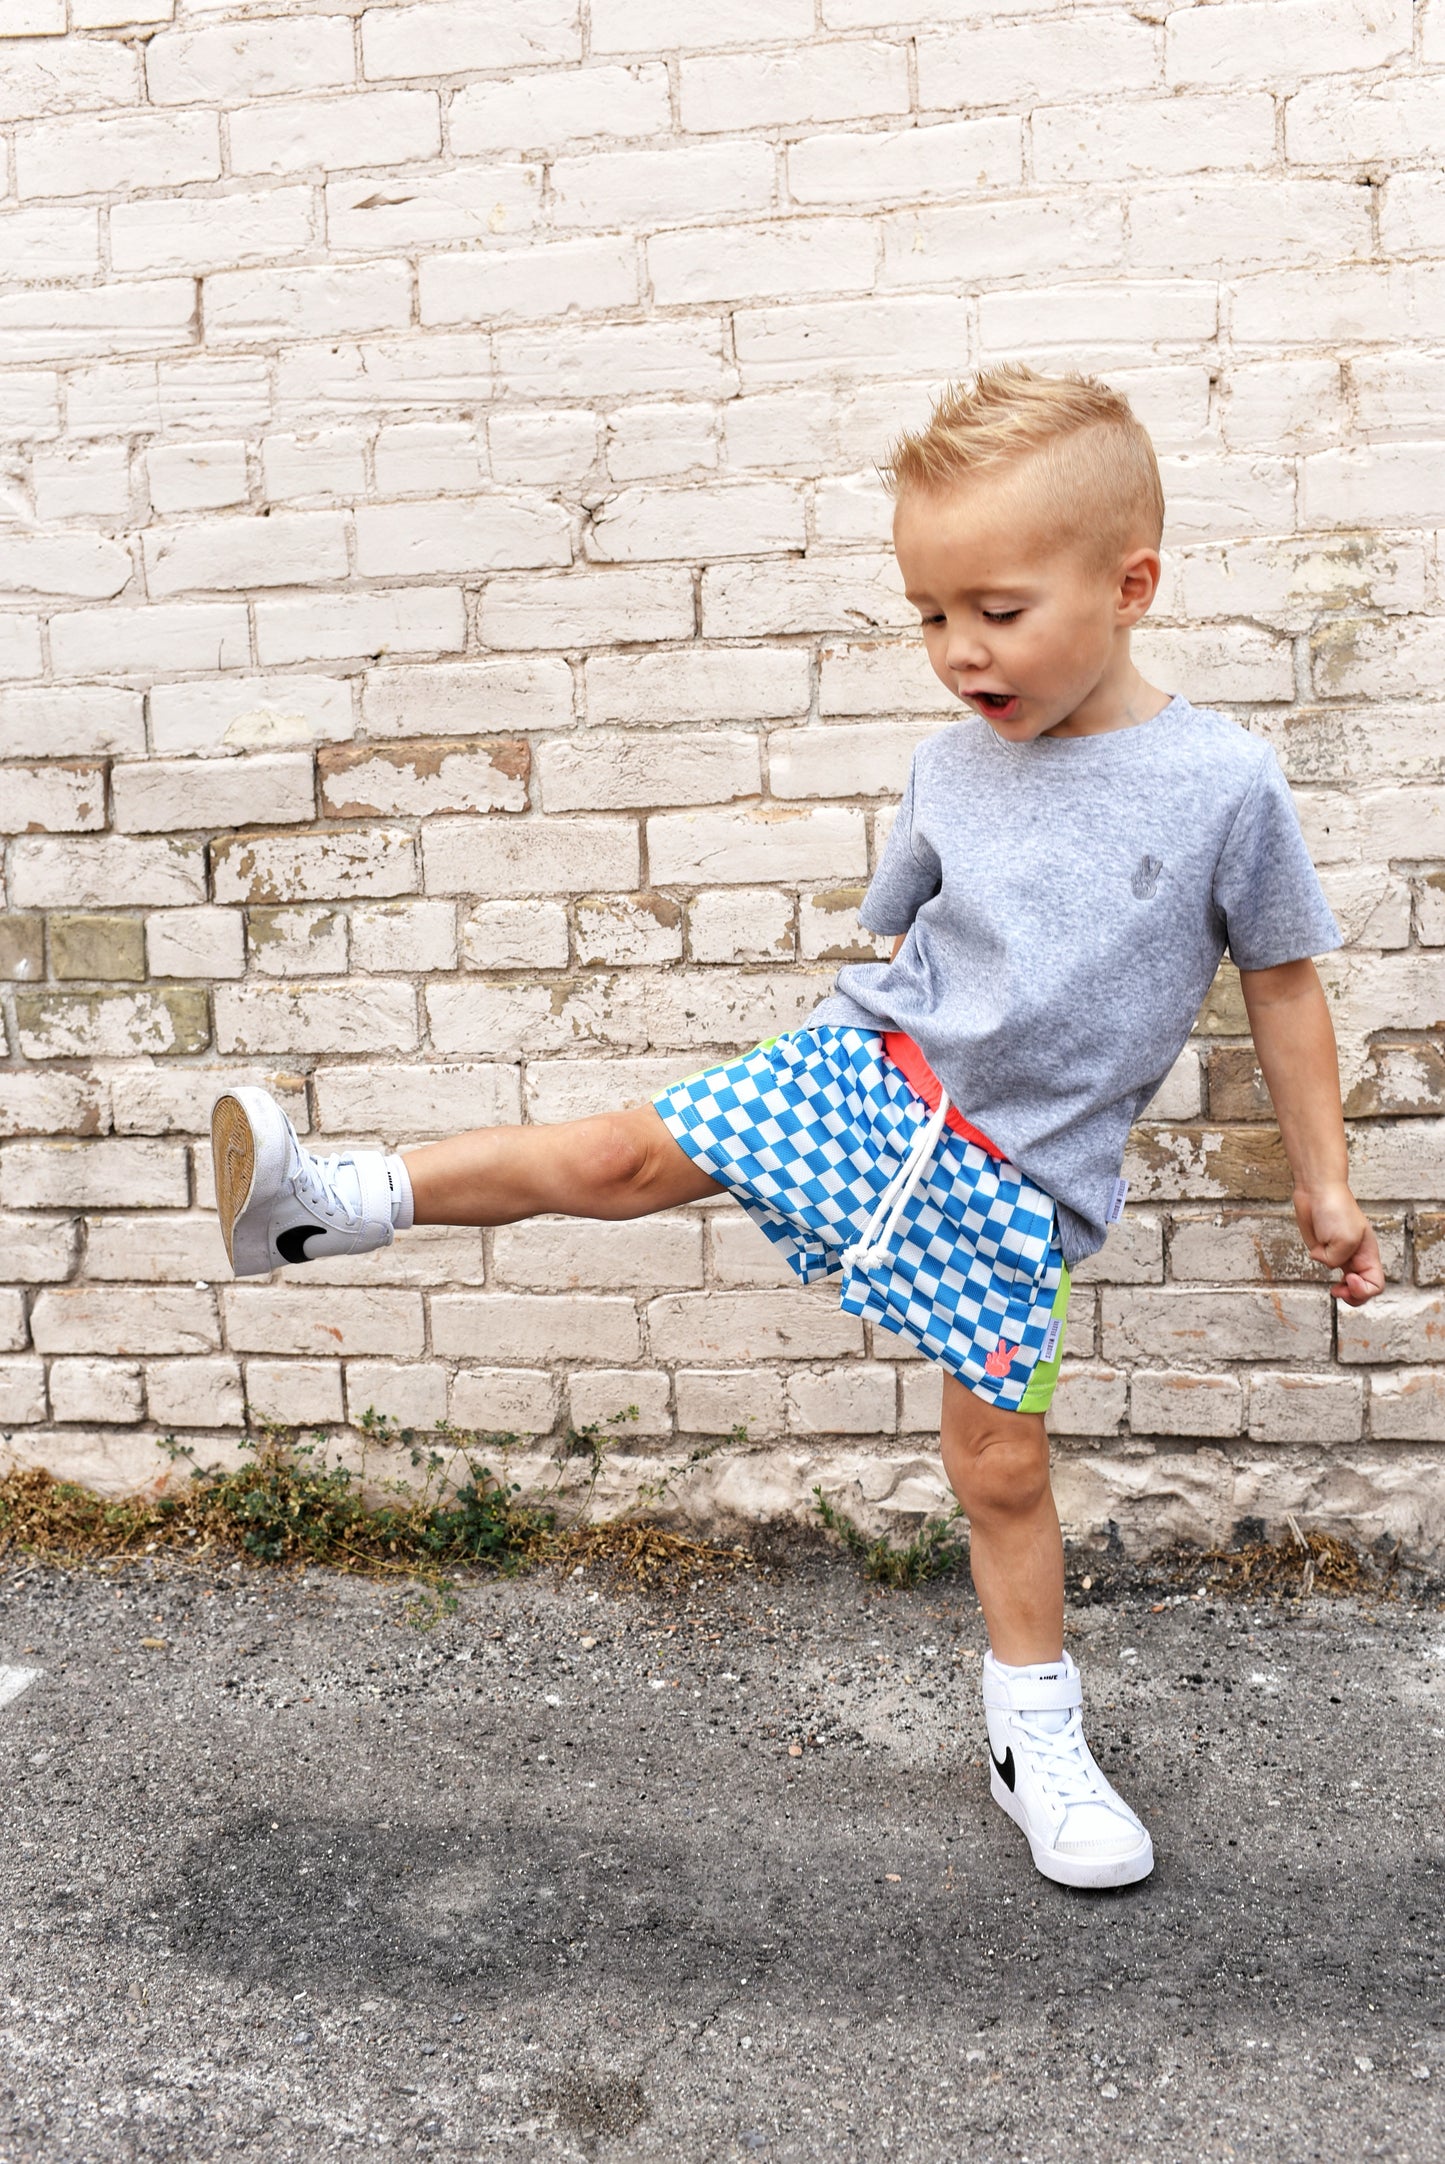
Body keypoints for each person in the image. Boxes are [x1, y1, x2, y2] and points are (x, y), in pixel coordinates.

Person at [208, 364, 1384, 1891]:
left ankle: (1036, 1740)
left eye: (998, 610)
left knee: (998, 1466)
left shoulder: (1224, 783)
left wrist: (1326, 1184)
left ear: (1130, 585)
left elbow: (1283, 990)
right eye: (927, 616)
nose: (959, 651)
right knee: (631, 1157)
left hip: (1015, 1184)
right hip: (869, 1078)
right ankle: (323, 1197)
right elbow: (909, 942)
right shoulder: (951, 763)